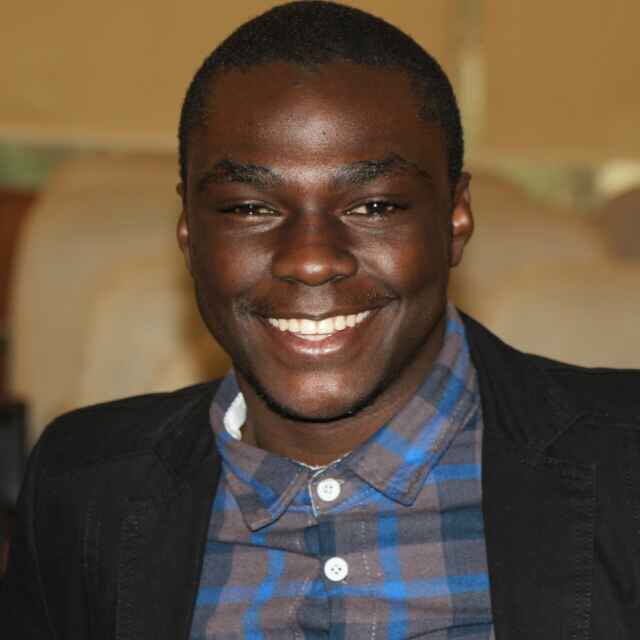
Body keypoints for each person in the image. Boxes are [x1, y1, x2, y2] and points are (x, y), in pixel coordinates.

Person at [2, 2, 640, 638]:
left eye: (374, 206)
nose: (310, 261)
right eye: (250, 207)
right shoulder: (84, 487)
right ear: (189, 230)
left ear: (454, 219)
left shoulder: (624, 465)